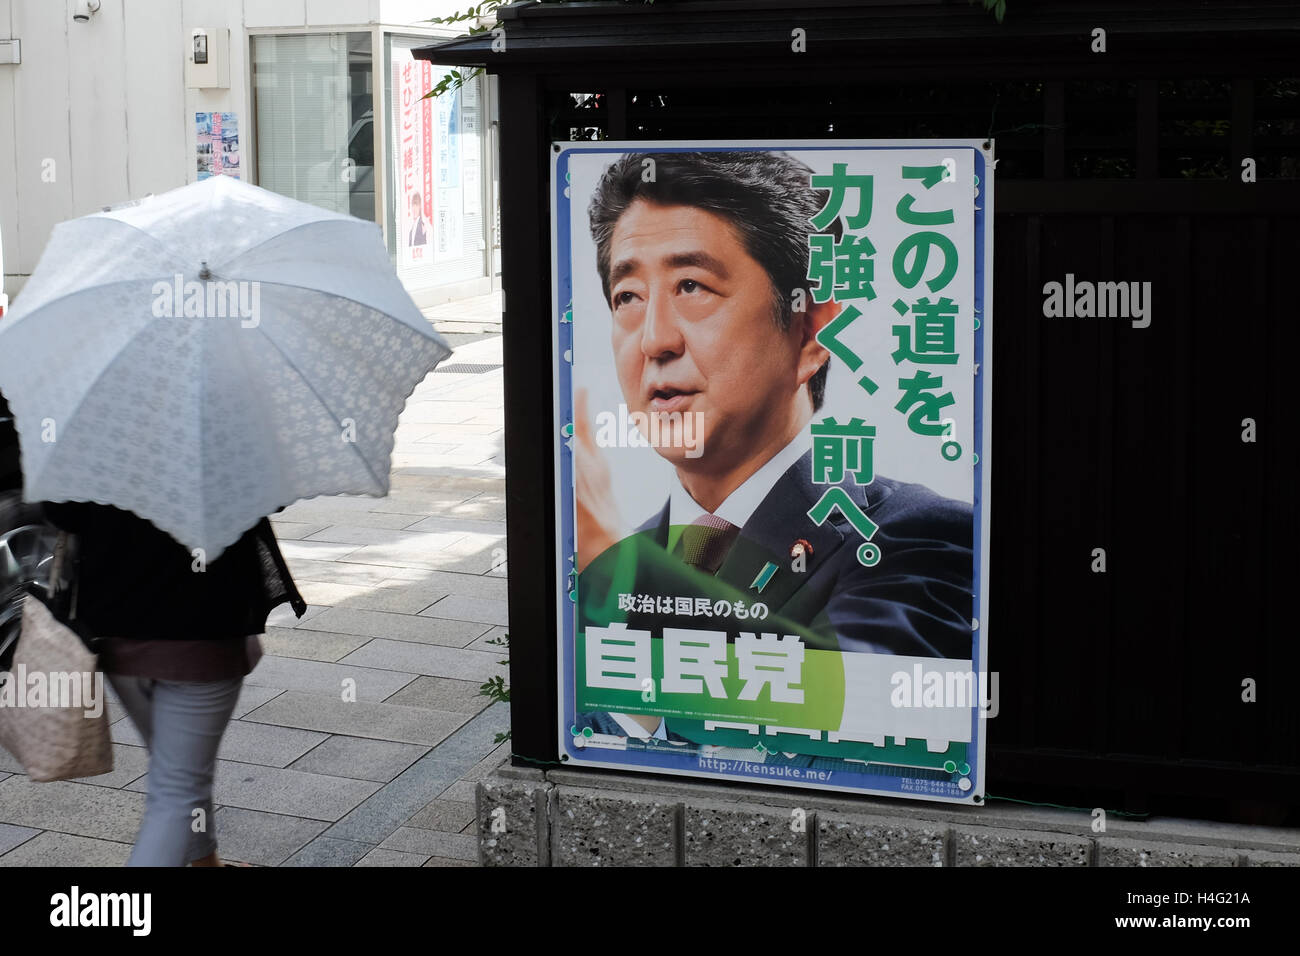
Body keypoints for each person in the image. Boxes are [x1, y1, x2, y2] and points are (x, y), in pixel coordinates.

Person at [572, 151, 973, 748]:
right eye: (627, 296)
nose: (654, 339)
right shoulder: (607, 561)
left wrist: (611, 566)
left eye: (691, 286)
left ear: (810, 332)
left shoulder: (918, 535)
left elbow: (866, 718)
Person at [42, 500, 305, 867]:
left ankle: (205, 864)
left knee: (176, 774)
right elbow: (271, 493)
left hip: (115, 630)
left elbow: (62, 511)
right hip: (203, 628)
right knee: (177, 789)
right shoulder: (224, 440)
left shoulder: (98, 443)